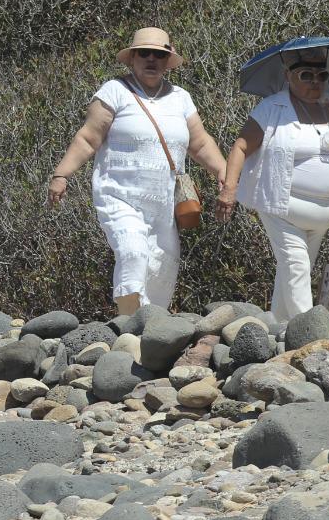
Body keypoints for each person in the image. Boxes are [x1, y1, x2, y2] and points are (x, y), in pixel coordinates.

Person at [49, 27, 227, 313]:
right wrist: (62, 174)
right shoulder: (114, 91)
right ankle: (128, 329)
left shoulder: (180, 97)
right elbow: (88, 138)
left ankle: (151, 334)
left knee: (161, 265)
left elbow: (200, 142)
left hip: (164, 203)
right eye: (144, 53)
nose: (152, 60)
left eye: (159, 54)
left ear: (168, 61)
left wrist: (223, 173)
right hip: (120, 195)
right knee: (133, 252)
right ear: (132, 58)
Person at [216, 46, 329, 320]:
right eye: (306, 75)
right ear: (288, 76)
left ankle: (281, 328)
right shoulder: (272, 107)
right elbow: (240, 147)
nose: (315, 82)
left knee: (296, 269)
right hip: (282, 206)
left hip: (325, 211)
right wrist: (230, 188)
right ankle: (310, 335)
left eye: (321, 75)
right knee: (296, 265)